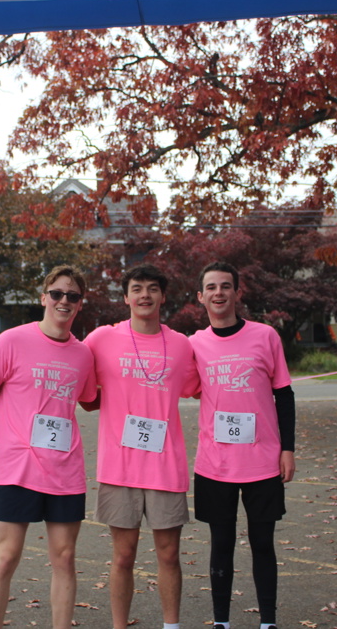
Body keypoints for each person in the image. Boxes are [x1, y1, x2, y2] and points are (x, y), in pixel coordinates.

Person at [0, 265, 98, 629]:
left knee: (64, 558)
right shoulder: (11, 341)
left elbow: (91, 400)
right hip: (17, 469)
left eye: (72, 296)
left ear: (80, 304)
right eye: (57, 294)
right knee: (5, 557)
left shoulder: (83, 355)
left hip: (65, 472)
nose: (64, 301)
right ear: (43, 298)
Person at [84, 264, 199, 629]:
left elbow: (202, 388)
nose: (144, 295)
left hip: (166, 466)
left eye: (152, 288)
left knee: (169, 554)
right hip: (119, 468)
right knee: (123, 556)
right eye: (137, 288)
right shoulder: (102, 339)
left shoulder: (182, 345)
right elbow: (76, 376)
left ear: (163, 297)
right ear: (126, 297)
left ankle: (171, 626)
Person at [189, 262, 295, 629]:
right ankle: (221, 621)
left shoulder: (265, 336)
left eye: (225, 286)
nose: (218, 293)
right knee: (221, 544)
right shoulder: (194, 345)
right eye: (211, 287)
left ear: (237, 292)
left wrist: (287, 449)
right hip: (214, 464)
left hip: (262, 461)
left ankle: (268, 621)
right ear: (201, 296)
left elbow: (284, 396)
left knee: (263, 543)